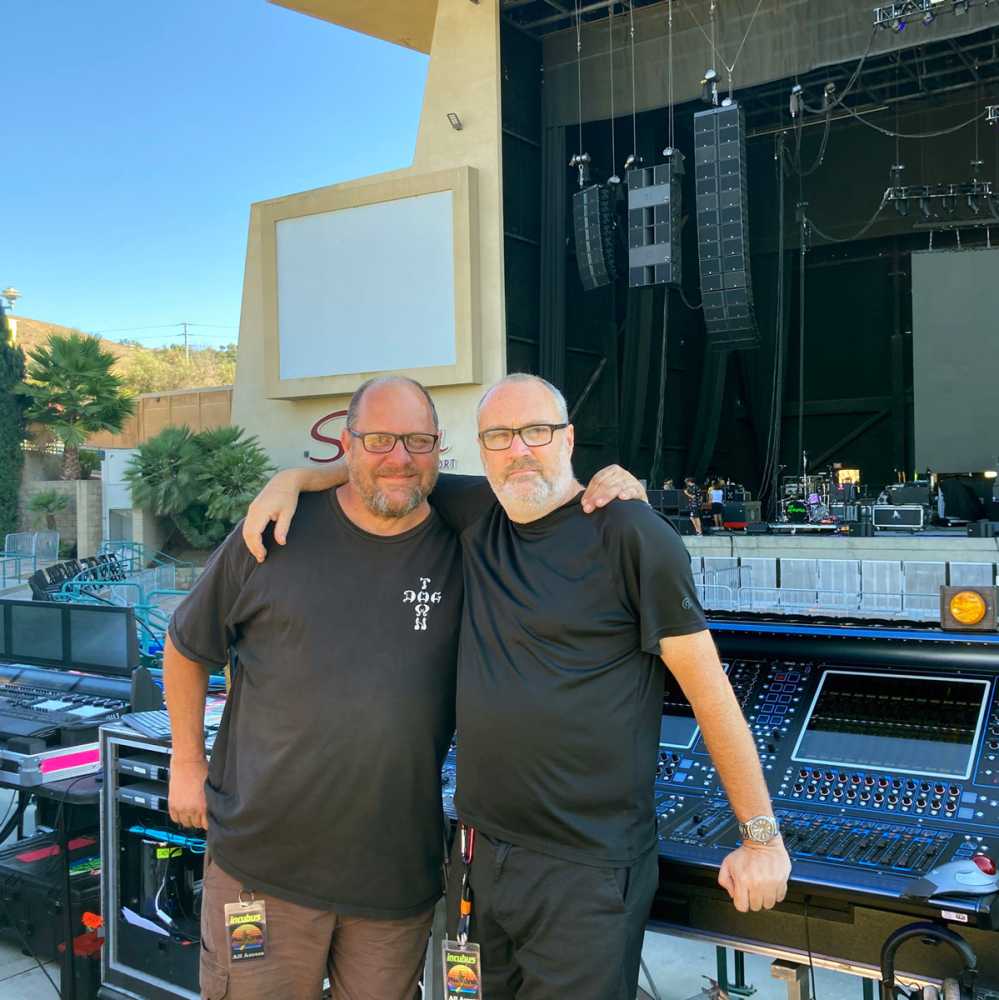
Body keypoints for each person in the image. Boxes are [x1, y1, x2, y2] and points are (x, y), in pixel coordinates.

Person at [246, 374, 791, 1000]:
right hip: (479, 860)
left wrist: (760, 838)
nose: (519, 450)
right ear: (481, 451)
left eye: (537, 431)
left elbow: (711, 694)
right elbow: (388, 475)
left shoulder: (631, 536)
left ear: (568, 440)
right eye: (499, 437)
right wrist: (289, 479)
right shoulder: (478, 514)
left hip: (586, 872)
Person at [168, 375, 644, 1000]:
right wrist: (185, 761)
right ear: (346, 443)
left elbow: (547, 495)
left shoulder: (470, 539)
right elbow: (186, 645)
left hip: (393, 883)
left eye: (417, 441)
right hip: (261, 868)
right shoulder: (275, 532)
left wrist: (616, 486)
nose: (399, 457)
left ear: (439, 448)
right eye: (379, 440)